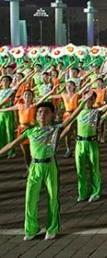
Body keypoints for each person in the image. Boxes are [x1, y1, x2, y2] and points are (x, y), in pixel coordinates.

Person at [0, 101, 81, 241]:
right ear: (36, 116)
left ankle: (52, 228)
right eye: (39, 112)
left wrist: (83, 102)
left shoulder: (55, 129)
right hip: (34, 167)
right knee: (30, 198)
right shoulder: (30, 131)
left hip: (50, 166)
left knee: (52, 198)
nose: (42, 114)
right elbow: (12, 144)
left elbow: (71, 118)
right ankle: (31, 229)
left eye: (46, 112)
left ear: (52, 115)